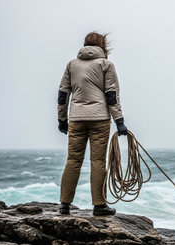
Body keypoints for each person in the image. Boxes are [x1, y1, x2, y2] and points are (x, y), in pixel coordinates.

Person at [57, 32, 128, 216]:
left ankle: (64, 204)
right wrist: (119, 121)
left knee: (73, 160)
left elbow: (63, 94)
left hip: (76, 119)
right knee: (97, 161)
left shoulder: (72, 65)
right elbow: (111, 95)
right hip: (99, 119)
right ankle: (99, 205)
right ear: (102, 46)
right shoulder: (106, 64)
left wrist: (62, 119)